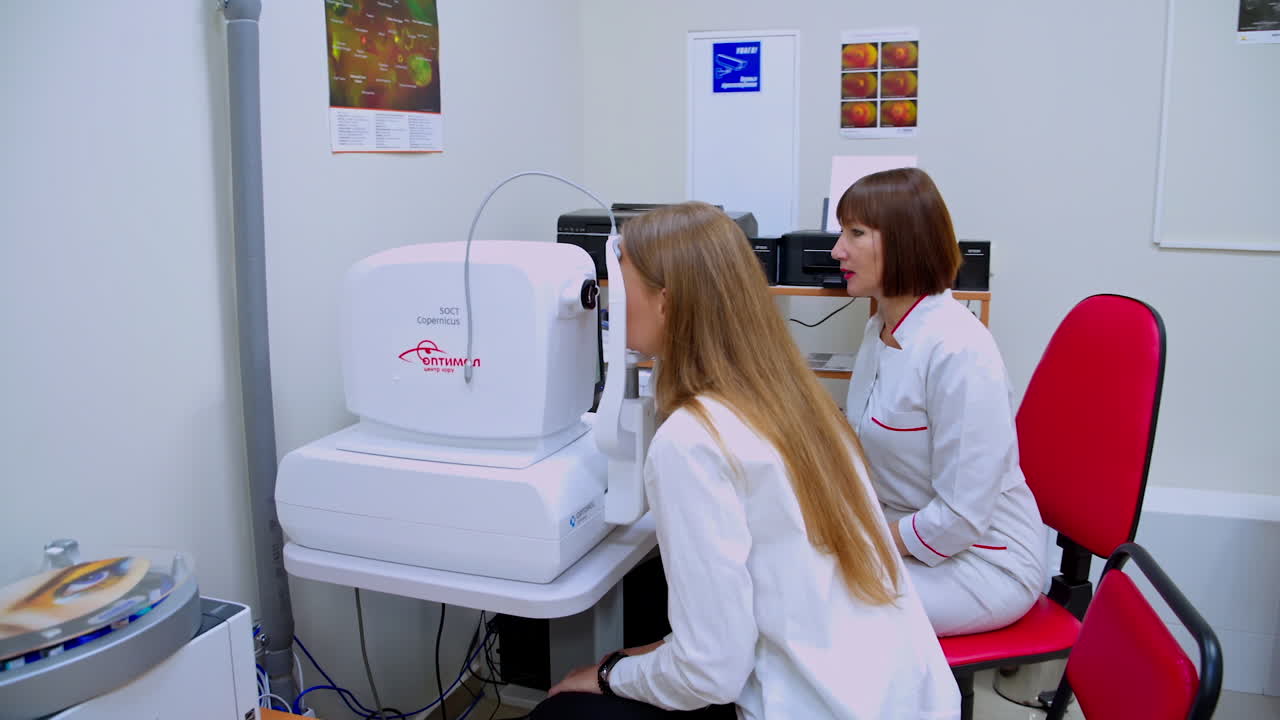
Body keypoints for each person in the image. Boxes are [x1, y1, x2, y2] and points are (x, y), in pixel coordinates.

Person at [530, 202, 959, 719]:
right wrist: (641, 657)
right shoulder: (799, 400)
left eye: (621, 287)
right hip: (909, 696)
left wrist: (605, 674)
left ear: (666, 303)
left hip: (819, 705)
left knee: (561, 712)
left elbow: (710, 672)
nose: (610, 303)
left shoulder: (692, 441)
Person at [830, 167, 1047, 637]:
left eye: (856, 233)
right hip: (911, 536)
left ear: (904, 241)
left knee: (816, 603)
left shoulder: (958, 349)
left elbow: (962, 517)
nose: (837, 250)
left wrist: (862, 542)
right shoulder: (881, 329)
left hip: (984, 564)